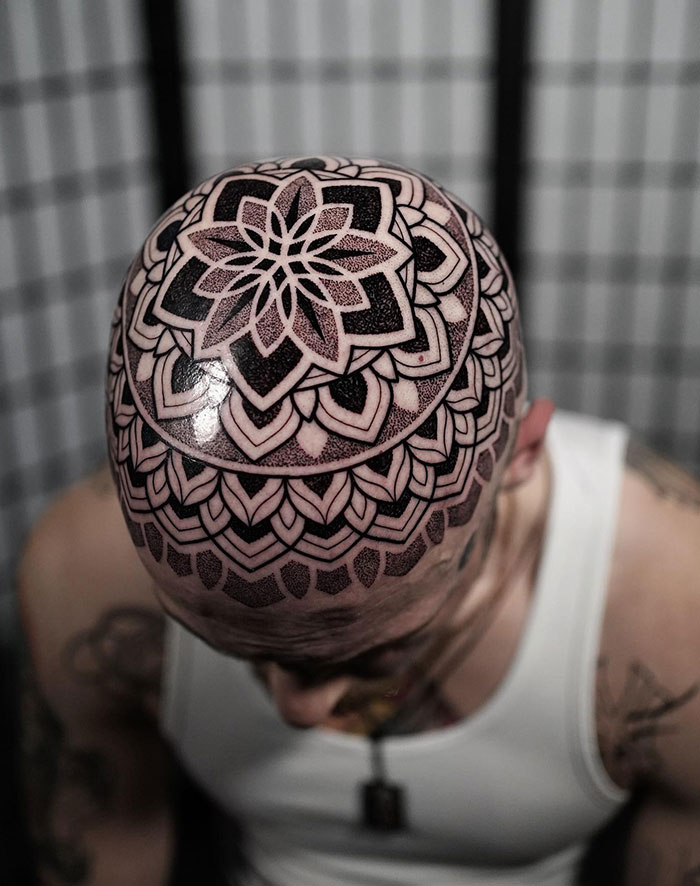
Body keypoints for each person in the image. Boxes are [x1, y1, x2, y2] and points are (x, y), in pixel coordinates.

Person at [17, 156, 700, 886]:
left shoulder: (671, 610)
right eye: (228, 645)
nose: (299, 711)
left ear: (522, 455)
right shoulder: (78, 576)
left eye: (366, 652)